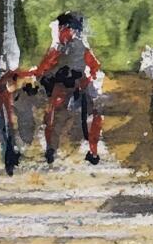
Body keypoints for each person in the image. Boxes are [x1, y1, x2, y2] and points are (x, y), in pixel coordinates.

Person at [32, 11, 103, 165]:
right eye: (60, 28)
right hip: (61, 87)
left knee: (94, 115)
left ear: (72, 30)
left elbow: (95, 67)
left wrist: (88, 79)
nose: (60, 31)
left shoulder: (80, 47)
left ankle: (93, 151)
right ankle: (51, 149)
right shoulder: (58, 48)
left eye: (63, 28)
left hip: (78, 85)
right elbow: (42, 69)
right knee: (51, 115)